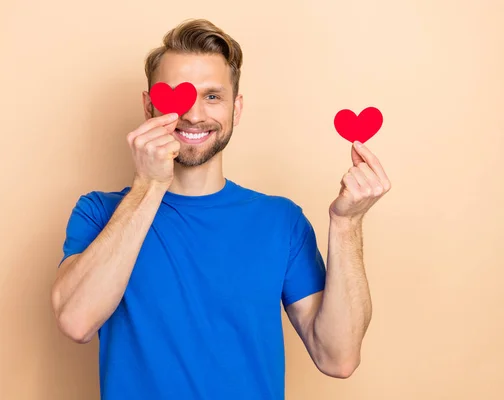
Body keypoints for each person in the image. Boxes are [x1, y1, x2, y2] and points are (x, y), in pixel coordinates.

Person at [51, 18, 391, 400]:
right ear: (148, 107)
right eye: (177, 94)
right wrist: (149, 185)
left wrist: (347, 224)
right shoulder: (99, 212)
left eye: (212, 96)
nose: (194, 114)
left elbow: (338, 358)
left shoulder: (281, 222)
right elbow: (76, 321)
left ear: (236, 108)